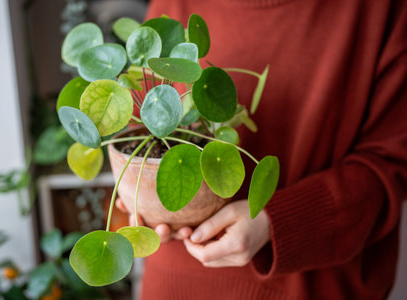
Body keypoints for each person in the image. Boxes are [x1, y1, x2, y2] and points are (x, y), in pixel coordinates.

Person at [117, 0, 407, 298]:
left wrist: (276, 222)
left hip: (311, 285)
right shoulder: (172, 5)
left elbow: (391, 166)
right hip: (178, 281)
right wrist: (140, 193)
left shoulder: (380, 10)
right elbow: (144, 122)